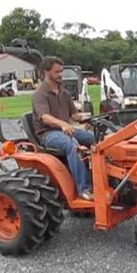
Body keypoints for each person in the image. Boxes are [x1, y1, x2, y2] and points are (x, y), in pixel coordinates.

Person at [32, 56, 95, 201]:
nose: (61, 75)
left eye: (61, 71)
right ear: (46, 72)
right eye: (57, 72)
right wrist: (62, 124)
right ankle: (84, 189)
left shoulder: (64, 93)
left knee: (96, 138)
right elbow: (44, 117)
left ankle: (103, 178)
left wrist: (90, 118)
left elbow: (74, 115)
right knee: (72, 145)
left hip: (65, 130)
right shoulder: (40, 94)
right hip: (48, 134)